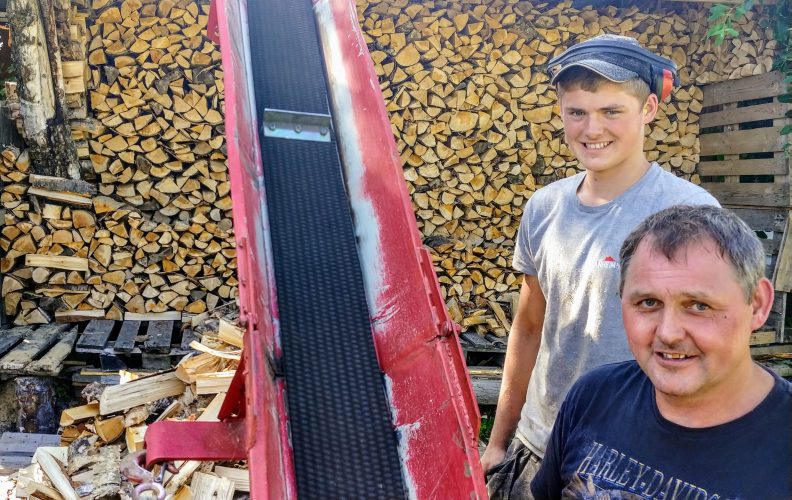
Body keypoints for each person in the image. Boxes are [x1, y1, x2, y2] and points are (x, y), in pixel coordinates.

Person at [481, 34, 720, 497]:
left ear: (649, 109)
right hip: (539, 444)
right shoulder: (544, 207)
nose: (592, 129)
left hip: (633, 462)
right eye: (577, 112)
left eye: (612, 111)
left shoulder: (692, 214)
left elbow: (713, 346)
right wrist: (499, 441)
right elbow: (529, 327)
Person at [531, 204, 792, 499]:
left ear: (757, 305)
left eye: (699, 305)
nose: (668, 333)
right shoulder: (593, 396)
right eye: (648, 303)